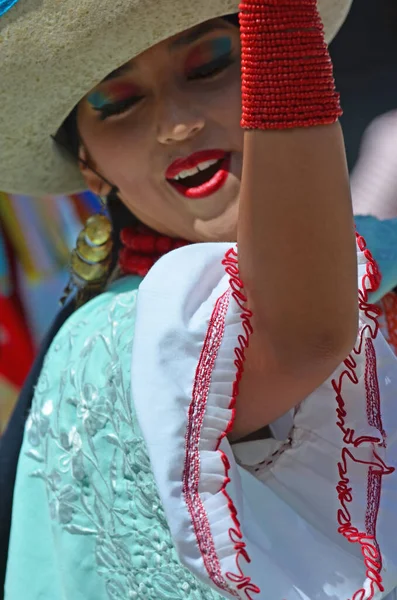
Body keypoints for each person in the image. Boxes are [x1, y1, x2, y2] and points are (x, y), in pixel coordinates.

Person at [1, 0, 397, 599]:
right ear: (92, 169)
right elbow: (304, 334)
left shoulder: (382, 254)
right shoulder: (116, 341)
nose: (176, 123)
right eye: (120, 104)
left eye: (209, 64)